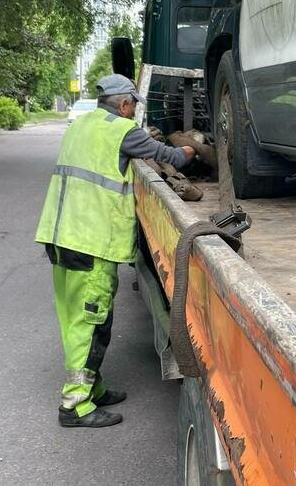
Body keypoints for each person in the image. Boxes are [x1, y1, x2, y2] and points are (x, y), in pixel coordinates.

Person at [35, 74, 195, 427]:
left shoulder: (80, 126)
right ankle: (75, 407)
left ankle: (94, 388)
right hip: (89, 242)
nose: (134, 111)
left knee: (73, 318)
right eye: (134, 105)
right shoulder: (123, 131)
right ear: (124, 104)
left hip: (59, 235)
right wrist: (189, 149)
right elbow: (169, 156)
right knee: (92, 323)